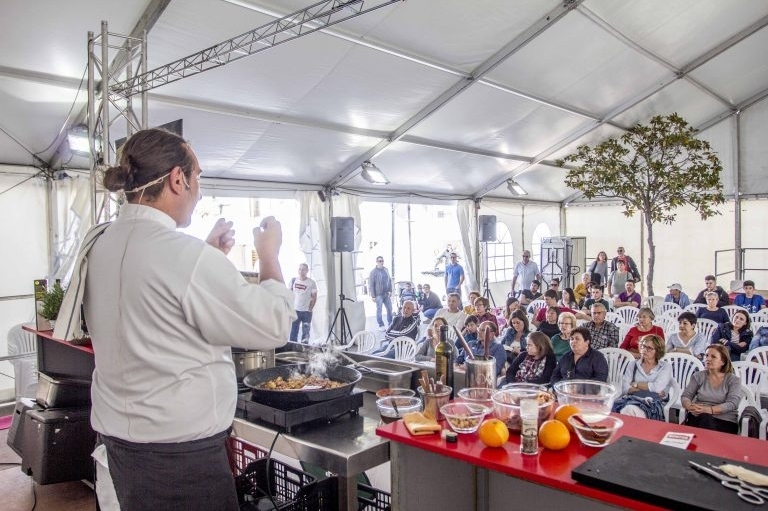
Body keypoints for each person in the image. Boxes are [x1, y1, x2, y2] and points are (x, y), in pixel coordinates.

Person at [83, 129, 295, 510]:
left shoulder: (102, 243)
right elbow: (273, 325)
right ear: (177, 179)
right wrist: (269, 256)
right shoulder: (185, 256)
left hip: (123, 450)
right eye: (197, 178)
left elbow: (155, 305)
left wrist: (208, 255)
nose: (199, 191)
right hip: (180, 463)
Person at [681, 344, 743, 434]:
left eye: (713, 357)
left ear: (723, 361)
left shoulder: (733, 380)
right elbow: (686, 396)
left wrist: (708, 410)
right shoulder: (698, 376)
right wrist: (691, 407)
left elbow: (732, 404)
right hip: (698, 415)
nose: (708, 359)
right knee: (703, 418)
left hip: (725, 420)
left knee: (704, 419)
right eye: (706, 355)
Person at [613, 334, 672, 421]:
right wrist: (649, 387)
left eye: (649, 348)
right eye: (643, 346)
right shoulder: (633, 364)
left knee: (628, 411)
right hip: (631, 399)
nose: (644, 350)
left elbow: (658, 387)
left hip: (653, 403)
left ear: (658, 351)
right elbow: (625, 389)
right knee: (624, 409)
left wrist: (636, 384)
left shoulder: (665, 366)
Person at [289, 263, 317, 343]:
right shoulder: (293, 280)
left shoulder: (311, 283)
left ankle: (304, 350)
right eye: (300, 269)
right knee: (293, 332)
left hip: (306, 312)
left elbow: (314, 297)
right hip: (295, 311)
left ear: (307, 271)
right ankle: (292, 349)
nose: (301, 271)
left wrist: (310, 309)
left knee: (305, 333)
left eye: (303, 269)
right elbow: (289, 294)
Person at [369, 256, 393, 329]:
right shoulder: (373, 272)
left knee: (389, 309)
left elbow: (389, 281)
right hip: (378, 295)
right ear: (376, 262)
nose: (381, 262)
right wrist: (373, 296)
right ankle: (381, 325)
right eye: (379, 261)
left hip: (386, 294)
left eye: (382, 261)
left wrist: (390, 291)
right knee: (379, 310)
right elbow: (371, 284)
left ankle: (390, 323)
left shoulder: (386, 269)